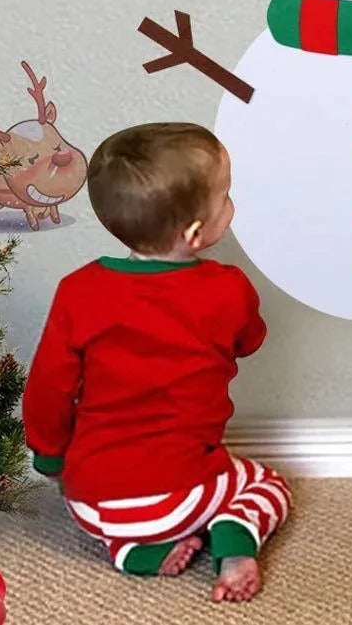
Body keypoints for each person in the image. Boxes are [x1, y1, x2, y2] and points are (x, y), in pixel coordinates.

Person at [22, 122, 290, 603]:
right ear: (194, 233)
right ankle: (233, 540)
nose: (232, 205)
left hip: (87, 498)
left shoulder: (78, 291)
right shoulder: (227, 289)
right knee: (265, 484)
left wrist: (50, 456)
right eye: (225, 197)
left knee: (115, 514)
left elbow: (47, 388)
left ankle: (129, 549)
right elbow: (250, 340)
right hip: (178, 495)